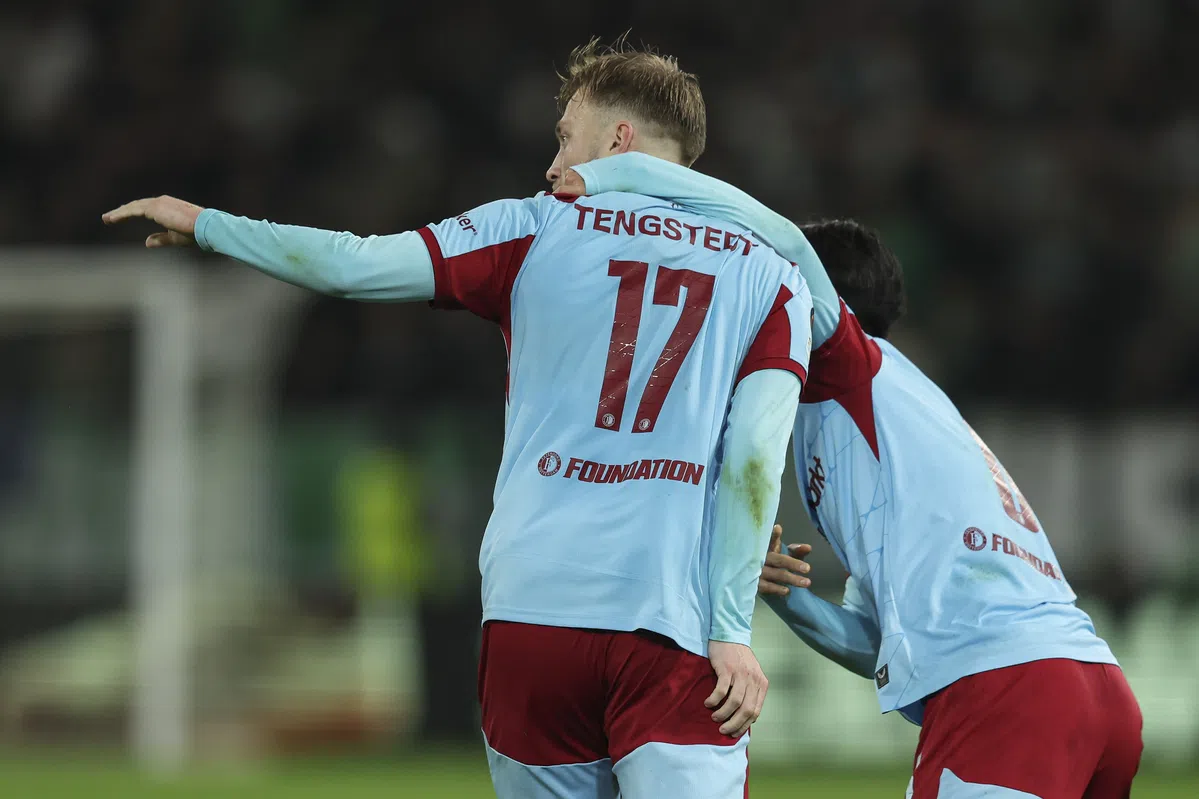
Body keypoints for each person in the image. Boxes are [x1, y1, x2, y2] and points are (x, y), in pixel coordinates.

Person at [103, 39, 815, 799]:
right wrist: (730, 630)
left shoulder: (532, 228)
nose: (552, 165)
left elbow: (353, 264)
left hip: (531, 618)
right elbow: (752, 458)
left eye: (565, 138)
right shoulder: (773, 277)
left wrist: (209, 223)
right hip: (670, 623)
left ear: (618, 139)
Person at [565, 155, 1143, 799]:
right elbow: (878, 646)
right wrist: (786, 597)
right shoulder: (885, 415)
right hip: (1094, 690)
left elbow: (783, 243)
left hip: (1007, 687)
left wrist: (621, 175)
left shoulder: (850, 371)